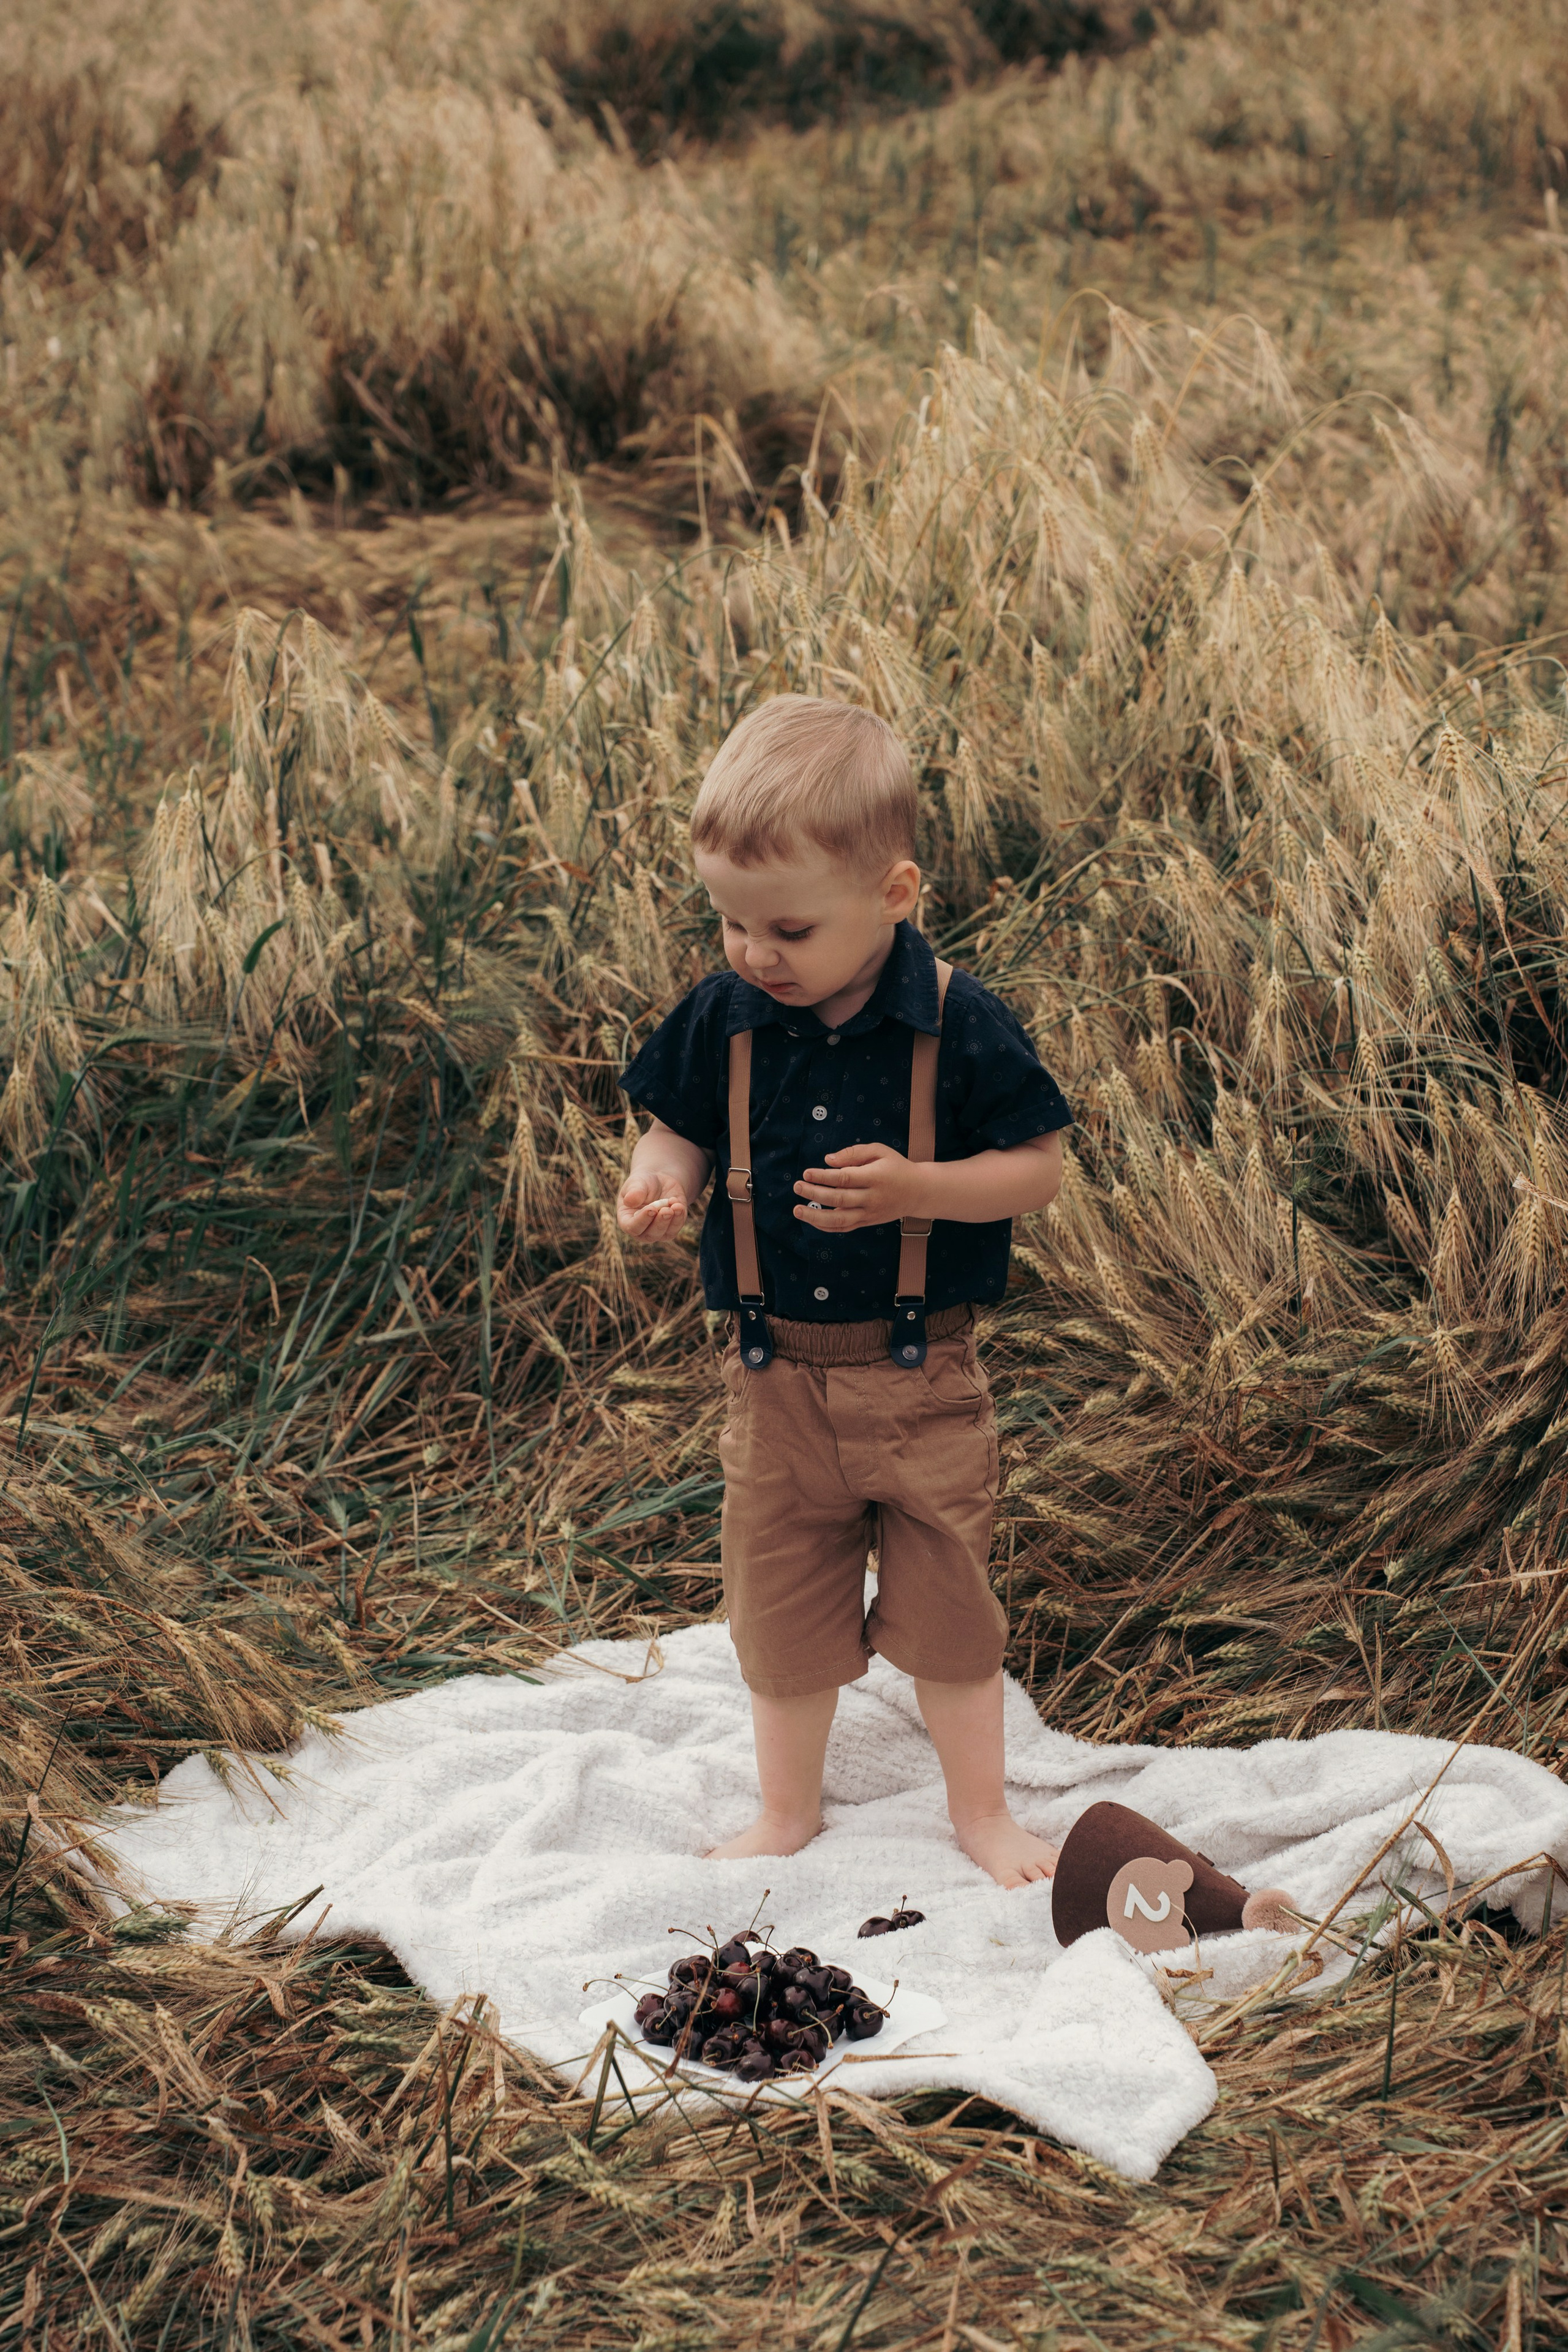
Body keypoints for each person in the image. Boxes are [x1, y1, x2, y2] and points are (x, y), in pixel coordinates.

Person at [616, 696, 1073, 1888]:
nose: (753, 953)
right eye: (727, 922)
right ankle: (785, 1812)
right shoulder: (724, 1017)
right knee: (778, 1614)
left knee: (948, 1609)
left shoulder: (956, 1023)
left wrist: (918, 1187)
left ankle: (980, 1813)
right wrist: (657, 1186)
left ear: (893, 893)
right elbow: (674, 1132)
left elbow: (1037, 1170)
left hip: (920, 1377)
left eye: (785, 928)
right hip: (772, 1383)